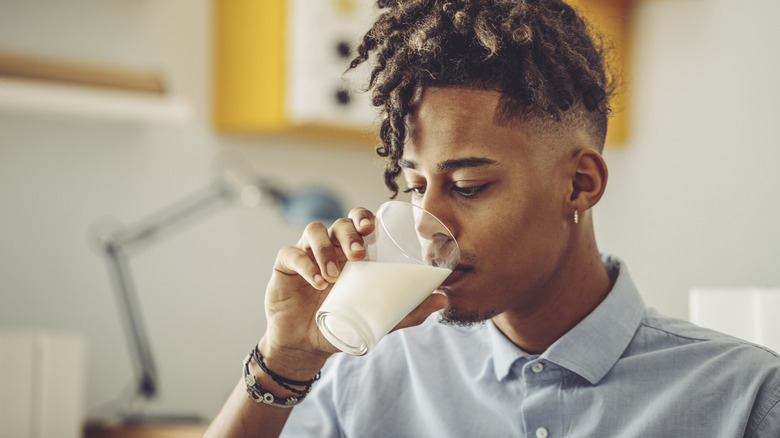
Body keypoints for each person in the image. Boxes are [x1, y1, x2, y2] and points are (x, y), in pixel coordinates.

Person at [205, 0, 780, 436]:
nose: (429, 227)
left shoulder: (744, 396)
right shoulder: (365, 376)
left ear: (580, 185)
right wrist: (285, 359)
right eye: (415, 186)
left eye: (469, 186)